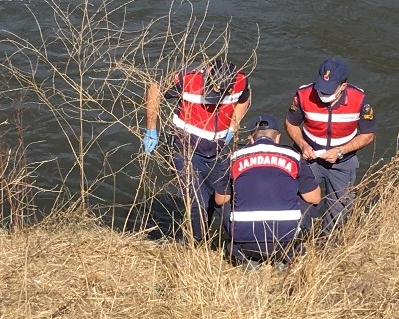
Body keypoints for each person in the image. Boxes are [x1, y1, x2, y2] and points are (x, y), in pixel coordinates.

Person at [143, 58, 251, 241]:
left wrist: (233, 126)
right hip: (185, 149)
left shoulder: (240, 80)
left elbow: (245, 98)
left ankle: (232, 243)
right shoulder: (188, 78)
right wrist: (151, 129)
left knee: (221, 201)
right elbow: (155, 89)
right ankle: (196, 244)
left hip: (218, 151)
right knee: (197, 202)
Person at [212, 115, 321, 265]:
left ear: (251, 139)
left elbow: (220, 200)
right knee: (308, 196)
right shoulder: (294, 157)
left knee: (222, 200)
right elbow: (314, 198)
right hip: (285, 242)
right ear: (277, 139)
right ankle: (294, 246)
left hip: (246, 243)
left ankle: (237, 250)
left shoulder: (233, 158)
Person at [284, 57, 375, 235]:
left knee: (340, 207)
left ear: (343, 86)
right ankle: (296, 240)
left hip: (342, 162)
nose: (323, 95)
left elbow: (368, 134)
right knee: (300, 201)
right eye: (321, 89)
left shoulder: (359, 100)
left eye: (328, 91)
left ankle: (326, 245)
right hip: (308, 159)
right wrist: (302, 145)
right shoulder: (303, 95)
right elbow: (291, 124)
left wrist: (341, 151)